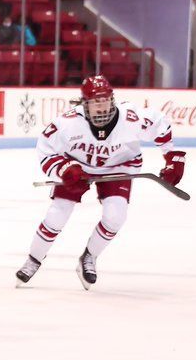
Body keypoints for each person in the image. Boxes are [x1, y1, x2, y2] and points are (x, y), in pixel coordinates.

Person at [16, 76, 185, 289]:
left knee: (115, 217)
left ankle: (89, 257)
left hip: (119, 166)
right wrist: (64, 169)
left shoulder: (130, 118)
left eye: (105, 101)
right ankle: (33, 259)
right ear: (84, 105)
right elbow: (45, 149)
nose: (102, 107)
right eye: (96, 102)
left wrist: (172, 157)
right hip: (77, 167)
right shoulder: (67, 123)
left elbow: (161, 125)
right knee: (57, 215)